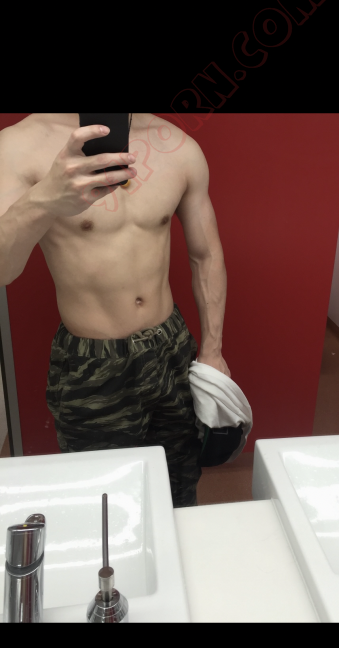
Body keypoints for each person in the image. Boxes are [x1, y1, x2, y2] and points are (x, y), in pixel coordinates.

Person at [0, 113, 230, 507]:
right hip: (92, 362)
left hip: (170, 351)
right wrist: (46, 198)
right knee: (103, 498)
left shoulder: (178, 146)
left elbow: (205, 255)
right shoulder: (20, 145)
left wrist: (212, 350)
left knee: (178, 484)